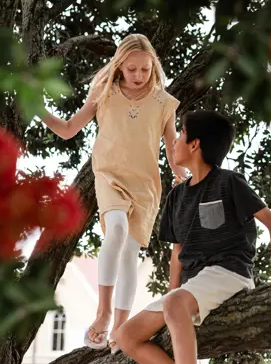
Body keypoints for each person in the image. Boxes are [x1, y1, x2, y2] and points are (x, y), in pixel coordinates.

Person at [116, 110, 271, 362]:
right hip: (192, 287)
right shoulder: (176, 197)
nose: (173, 140)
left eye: (181, 133)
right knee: (125, 336)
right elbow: (177, 253)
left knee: (174, 304)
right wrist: (172, 299)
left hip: (229, 273)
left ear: (195, 144)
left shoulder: (229, 182)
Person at [39, 34, 188, 352]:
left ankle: (120, 327)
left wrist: (182, 173)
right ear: (119, 66)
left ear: (153, 67)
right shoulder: (104, 91)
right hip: (109, 177)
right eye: (131, 69)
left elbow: (171, 147)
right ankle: (104, 312)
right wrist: (36, 109)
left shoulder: (164, 102)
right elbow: (68, 129)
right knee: (116, 230)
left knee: (131, 256)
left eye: (145, 70)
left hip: (146, 187)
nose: (138, 75)